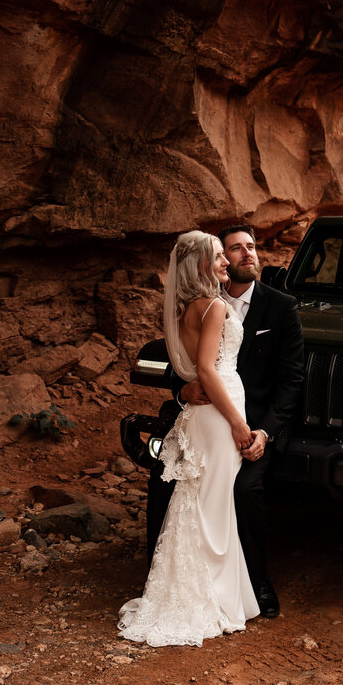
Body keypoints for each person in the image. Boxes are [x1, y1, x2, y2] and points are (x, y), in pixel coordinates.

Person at [117, 230, 260, 646]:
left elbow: (193, 370)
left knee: (199, 504)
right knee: (214, 508)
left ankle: (200, 594)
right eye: (217, 257)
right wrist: (236, 422)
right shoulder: (214, 306)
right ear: (199, 264)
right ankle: (211, 600)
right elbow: (207, 370)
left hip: (202, 414)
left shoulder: (187, 309)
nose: (224, 263)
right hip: (218, 415)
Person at [177, 224, 305, 619]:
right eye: (234, 249)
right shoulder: (205, 302)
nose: (247, 253)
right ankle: (179, 578)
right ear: (218, 260)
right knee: (179, 484)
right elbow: (181, 364)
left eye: (251, 246)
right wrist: (181, 392)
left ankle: (255, 582)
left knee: (245, 487)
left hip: (256, 428)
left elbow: (292, 379)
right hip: (213, 420)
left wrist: (265, 432)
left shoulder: (281, 306)